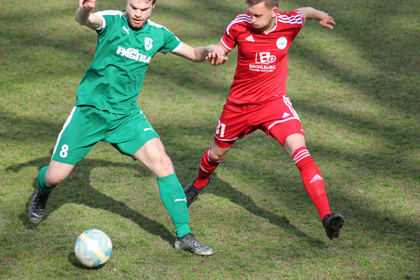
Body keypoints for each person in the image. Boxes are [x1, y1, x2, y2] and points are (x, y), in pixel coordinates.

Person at [29, 0, 227, 256]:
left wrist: (211, 48)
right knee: (55, 177)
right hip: (90, 113)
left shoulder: (158, 34)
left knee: (163, 164)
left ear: (153, 6)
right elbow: (84, 20)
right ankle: (42, 192)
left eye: (144, 8)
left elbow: (193, 54)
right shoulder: (112, 20)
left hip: (126, 117)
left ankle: (184, 235)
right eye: (133, 6)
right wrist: (86, 9)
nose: (137, 13)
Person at [184, 0, 345, 240]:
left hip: (273, 105)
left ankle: (327, 217)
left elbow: (305, 12)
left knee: (300, 151)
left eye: (258, 15)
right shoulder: (239, 25)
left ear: (274, 12)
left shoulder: (289, 23)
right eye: (251, 14)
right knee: (216, 154)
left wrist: (320, 14)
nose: (252, 19)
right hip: (238, 108)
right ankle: (197, 185)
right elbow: (220, 48)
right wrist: (216, 54)